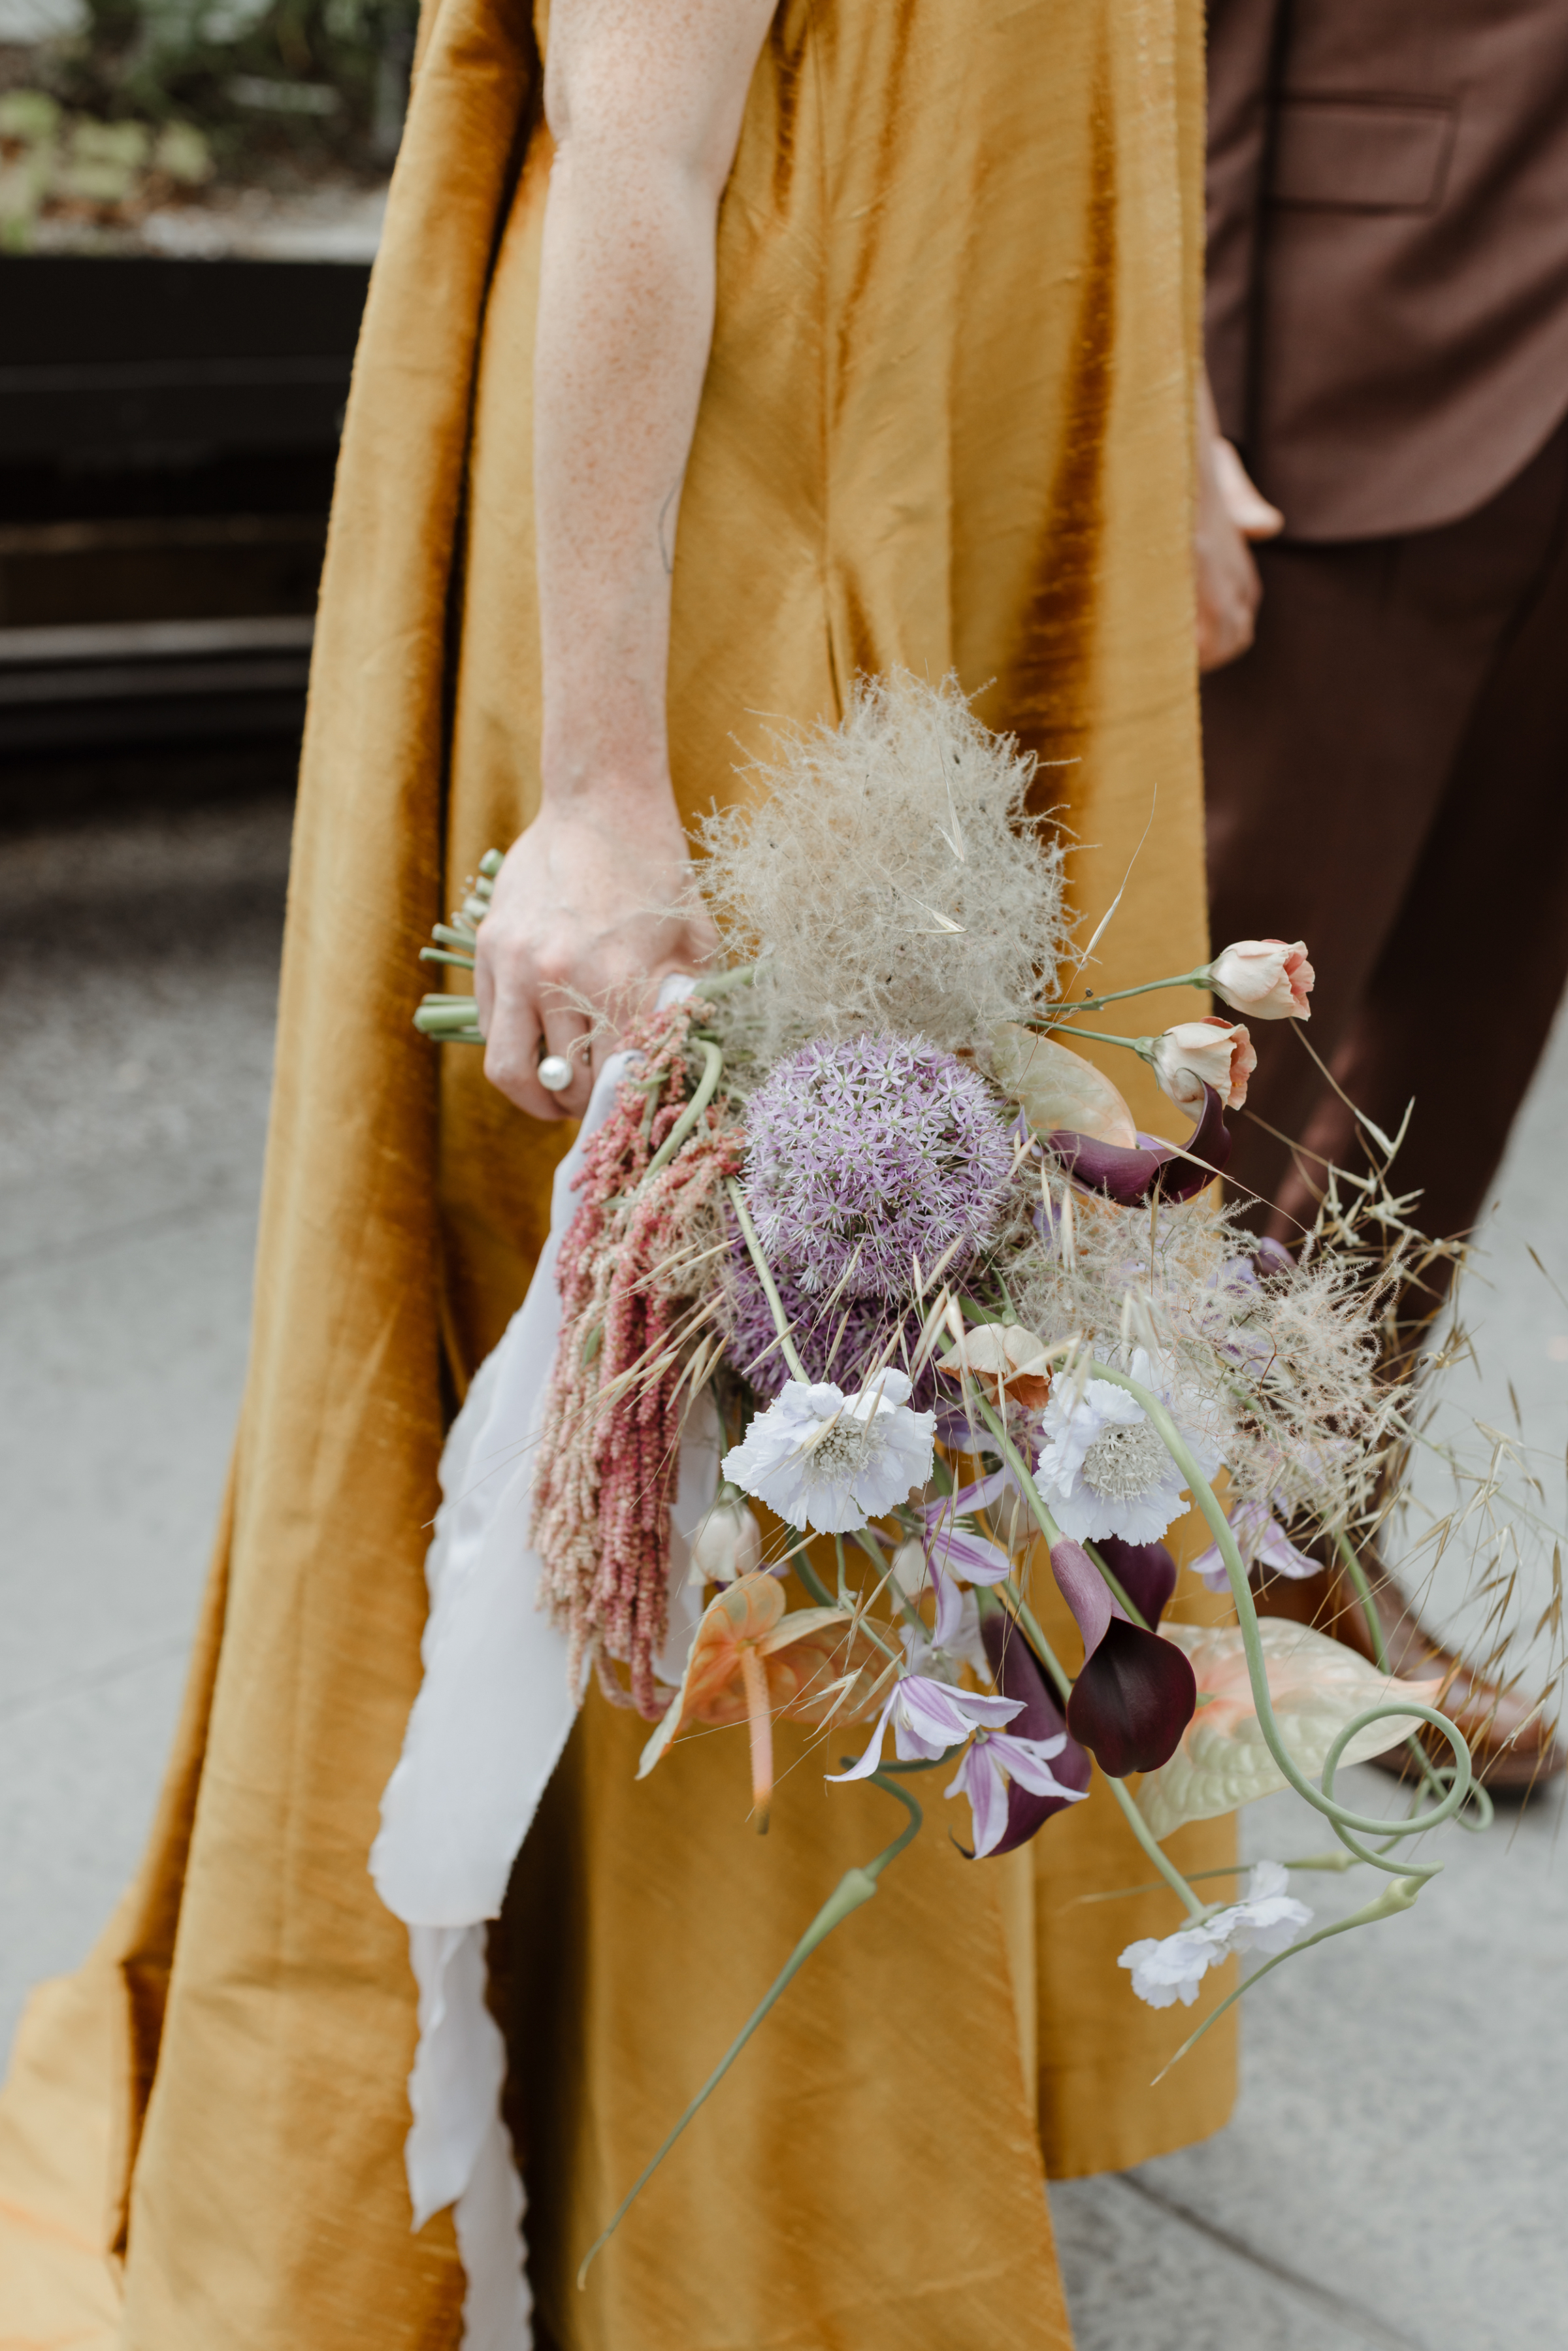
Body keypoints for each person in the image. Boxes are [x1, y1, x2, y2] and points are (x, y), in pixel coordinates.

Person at [0, 3, 1246, 2343]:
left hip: (957, 464)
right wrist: (599, 784)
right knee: (753, 1356)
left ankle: (834, 2122)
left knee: (902, 1339)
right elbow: (634, 149)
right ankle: (740, 2194)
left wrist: (1158, 427)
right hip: (750, 543)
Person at [1194, 0, 1568, 1786]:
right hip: (1361, 367)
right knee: (1215, 1044)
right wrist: (1167, 389)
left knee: (1468, 1037)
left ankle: (1309, 1554)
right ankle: (1025, 1603)